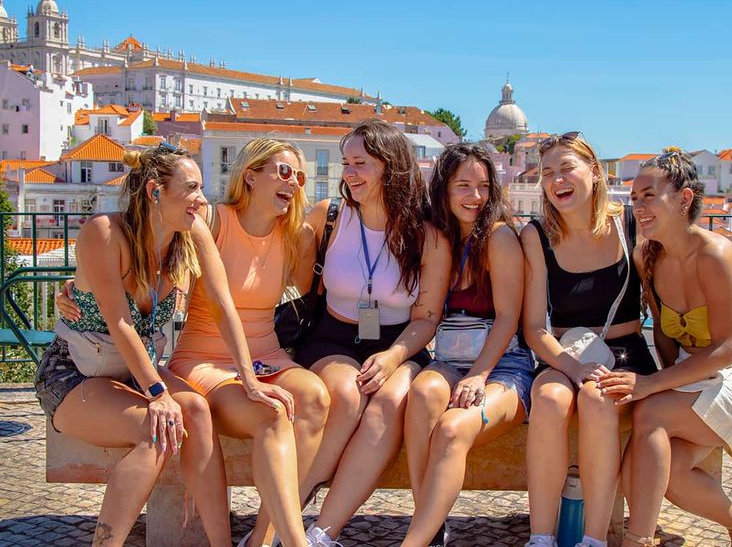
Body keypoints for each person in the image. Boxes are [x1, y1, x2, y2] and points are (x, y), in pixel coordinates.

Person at [36, 144, 244, 547]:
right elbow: (120, 323)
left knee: (197, 411)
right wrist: (158, 394)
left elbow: (223, 305)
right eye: (192, 188)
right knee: (157, 427)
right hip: (76, 372)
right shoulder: (105, 232)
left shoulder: (188, 233)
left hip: (133, 370)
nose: (202, 199)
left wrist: (249, 379)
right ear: (154, 191)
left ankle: (222, 545)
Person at [600, 148, 732, 547]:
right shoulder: (649, 256)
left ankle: (638, 539)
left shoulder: (716, 255)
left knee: (650, 412)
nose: (639, 206)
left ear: (684, 199)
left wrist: (655, 386)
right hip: (698, 372)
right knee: (673, 476)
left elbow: (727, 350)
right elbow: (665, 334)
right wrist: (667, 383)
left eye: (649, 195)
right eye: (634, 198)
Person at [294, 119, 451, 547]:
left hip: (401, 341)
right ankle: (285, 515)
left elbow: (427, 318)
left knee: (390, 402)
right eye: (346, 163)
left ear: (391, 166)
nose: (349, 173)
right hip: (333, 337)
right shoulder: (327, 216)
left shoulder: (428, 235)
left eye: (360, 163)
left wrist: (394, 357)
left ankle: (322, 532)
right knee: (347, 395)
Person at [168, 139, 330, 547]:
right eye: (284, 172)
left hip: (266, 353)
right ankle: (294, 542)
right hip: (205, 356)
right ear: (251, 174)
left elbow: (309, 287)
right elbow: (157, 260)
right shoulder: (213, 220)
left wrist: (309, 234)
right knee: (272, 416)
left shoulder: (292, 234)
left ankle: (261, 537)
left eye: (300, 177)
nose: (294, 183)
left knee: (316, 398)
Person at [520, 132, 658, 547]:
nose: (556, 180)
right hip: (565, 353)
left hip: (626, 351)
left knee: (598, 400)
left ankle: (593, 539)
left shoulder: (630, 224)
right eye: (547, 173)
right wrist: (573, 367)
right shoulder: (537, 235)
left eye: (566, 169)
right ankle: (540, 537)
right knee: (548, 400)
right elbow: (534, 329)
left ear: (595, 172)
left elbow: (663, 295)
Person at [400, 143, 533, 547]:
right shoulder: (440, 237)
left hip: (502, 365)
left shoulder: (499, 237)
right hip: (450, 359)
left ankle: (415, 541)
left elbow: (509, 317)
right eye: (463, 186)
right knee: (422, 396)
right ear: (443, 189)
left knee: (453, 429)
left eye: (483, 186)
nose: (475, 197)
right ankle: (431, 524)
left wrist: (479, 375)